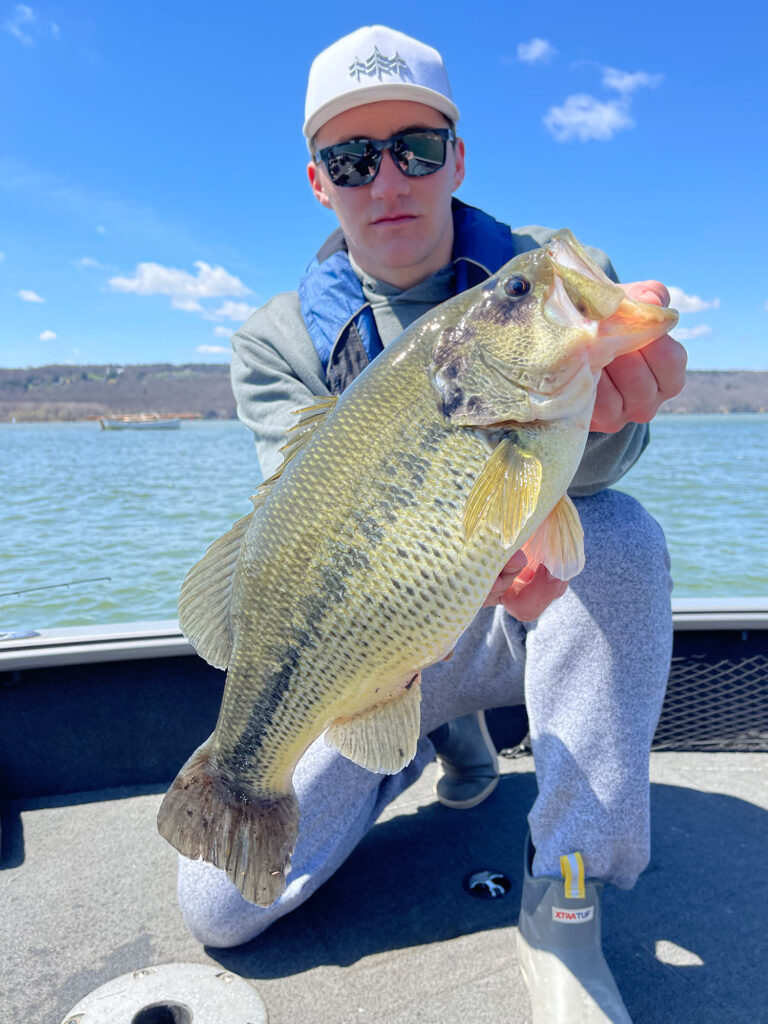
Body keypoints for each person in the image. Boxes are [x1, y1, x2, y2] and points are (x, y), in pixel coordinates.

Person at [176, 25, 687, 1023]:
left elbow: (588, 459)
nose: (388, 181)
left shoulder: (541, 281)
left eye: (414, 148)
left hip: (525, 615)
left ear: (457, 156)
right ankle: (433, 739)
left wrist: (615, 402)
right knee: (219, 905)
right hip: (377, 646)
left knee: (621, 537)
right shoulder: (276, 340)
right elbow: (298, 532)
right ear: (319, 182)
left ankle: (565, 906)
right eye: (353, 158)